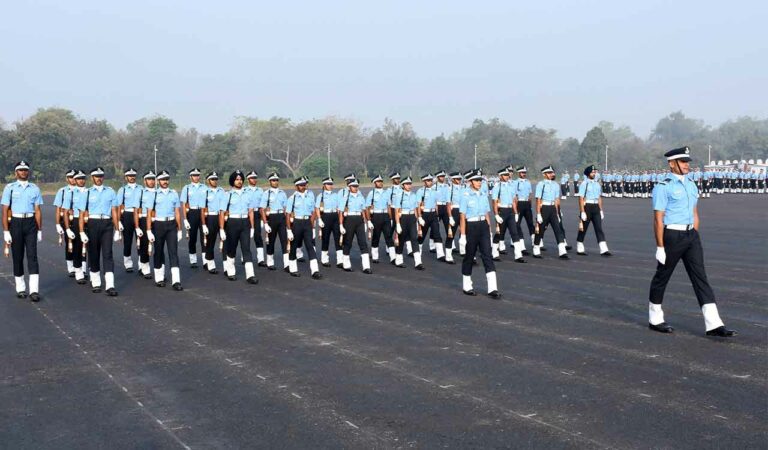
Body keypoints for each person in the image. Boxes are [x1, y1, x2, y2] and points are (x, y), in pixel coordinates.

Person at [648, 146, 736, 337]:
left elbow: (695, 212)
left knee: (700, 277)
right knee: (662, 276)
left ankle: (713, 323)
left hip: (691, 236)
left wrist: (693, 233)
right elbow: (658, 218)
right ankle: (655, 318)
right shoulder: (663, 187)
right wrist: (660, 246)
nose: (687, 165)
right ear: (672, 164)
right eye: (683, 162)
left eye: (688, 162)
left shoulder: (691, 184)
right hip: (672, 236)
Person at [1, 161, 43, 301]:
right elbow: (5, 210)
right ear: (16, 173)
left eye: (25, 170)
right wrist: (6, 231)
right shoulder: (10, 188)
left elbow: (37, 210)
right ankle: (20, 288)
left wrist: (39, 229)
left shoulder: (34, 188)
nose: (23, 172)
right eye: (20, 170)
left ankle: (34, 291)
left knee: (33, 256)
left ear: (28, 172)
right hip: (16, 223)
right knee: (17, 256)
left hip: (30, 222)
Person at [76, 167, 119, 296]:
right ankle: (96, 282)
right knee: (93, 253)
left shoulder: (110, 192)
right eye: (96, 176)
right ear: (92, 178)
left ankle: (110, 285)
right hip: (92, 224)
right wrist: (82, 231)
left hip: (107, 224)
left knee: (108, 253)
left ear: (103, 177)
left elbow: (114, 211)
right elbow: (82, 213)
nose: (99, 178)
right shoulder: (87, 193)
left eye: (101, 176)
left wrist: (117, 229)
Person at [458, 169, 499, 299]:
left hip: (483, 227)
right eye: (476, 180)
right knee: (469, 256)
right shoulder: (465, 195)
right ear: (470, 181)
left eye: (480, 180)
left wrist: (489, 230)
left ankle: (492, 288)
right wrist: (463, 236)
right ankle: (467, 286)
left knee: (487, 255)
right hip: (471, 226)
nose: (479, 182)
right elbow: (462, 216)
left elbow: (487, 213)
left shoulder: (483, 194)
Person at [147, 170, 183, 290]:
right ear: (158, 181)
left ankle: (176, 281)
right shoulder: (154, 194)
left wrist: (179, 229)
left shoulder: (174, 193)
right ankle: (159, 277)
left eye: (166, 179)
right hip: (158, 224)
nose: (165, 181)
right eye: (162, 179)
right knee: (159, 251)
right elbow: (149, 213)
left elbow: (177, 212)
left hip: (172, 224)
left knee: (173, 252)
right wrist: (148, 230)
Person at [219, 170, 258, 284]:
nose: (239, 181)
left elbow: (250, 211)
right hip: (232, 222)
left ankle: (250, 275)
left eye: (241, 179)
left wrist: (252, 227)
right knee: (232, 248)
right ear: (233, 181)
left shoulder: (247, 194)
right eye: (237, 179)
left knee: (246, 248)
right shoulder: (228, 195)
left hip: (245, 222)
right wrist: (221, 229)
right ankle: (231, 271)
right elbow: (222, 212)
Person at [286, 176, 322, 279]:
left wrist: (311, 224)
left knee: (310, 246)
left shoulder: (309, 197)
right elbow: (288, 214)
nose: (303, 186)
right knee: (294, 246)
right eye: (301, 185)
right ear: (296, 186)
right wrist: (289, 230)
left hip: (307, 223)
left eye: (304, 185)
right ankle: (293, 269)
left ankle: (315, 271)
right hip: (297, 222)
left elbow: (313, 212)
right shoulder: (292, 198)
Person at [533, 165, 568, 259]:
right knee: (540, 229)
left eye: (552, 172)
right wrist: (538, 214)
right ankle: (536, 248)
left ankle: (562, 251)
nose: (552, 174)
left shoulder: (556, 185)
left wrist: (557, 213)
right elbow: (538, 200)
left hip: (552, 208)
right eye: (549, 173)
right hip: (544, 207)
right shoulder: (541, 184)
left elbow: (556, 200)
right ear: (544, 174)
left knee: (558, 229)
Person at [491, 167, 525, 263]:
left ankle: (518, 255)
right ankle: (494, 253)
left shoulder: (511, 186)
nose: (507, 176)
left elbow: (514, 200)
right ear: (500, 176)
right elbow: (494, 202)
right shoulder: (497, 187)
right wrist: (496, 215)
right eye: (505, 175)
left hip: (510, 211)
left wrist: (516, 212)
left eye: (508, 175)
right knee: (499, 233)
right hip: (502, 210)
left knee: (514, 232)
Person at [576, 165, 611, 256]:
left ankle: (603, 249)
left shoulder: (597, 184)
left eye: (595, 172)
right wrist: (582, 211)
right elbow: (581, 198)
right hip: (587, 206)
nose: (594, 173)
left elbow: (599, 197)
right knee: (583, 228)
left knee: (599, 228)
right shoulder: (584, 184)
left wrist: (601, 210)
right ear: (588, 173)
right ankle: (580, 245)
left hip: (596, 207)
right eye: (592, 172)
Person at [338, 178, 372, 273]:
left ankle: (366, 267)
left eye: (357, 186)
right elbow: (340, 212)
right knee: (348, 242)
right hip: (349, 220)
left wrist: (367, 221)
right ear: (349, 187)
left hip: (359, 220)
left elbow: (364, 210)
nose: (355, 188)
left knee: (363, 243)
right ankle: (346, 264)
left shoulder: (361, 197)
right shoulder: (345, 198)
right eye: (353, 186)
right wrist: (341, 225)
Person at [63, 170, 89, 283]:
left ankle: (86, 270)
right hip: (77, 221)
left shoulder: (90, 192)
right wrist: (67, 228)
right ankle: (78, 272)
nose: (81, 180)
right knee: (78, 247)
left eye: (83, 178)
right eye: (78, 178)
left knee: (90, 247)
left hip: (90, 221)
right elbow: (65, 211)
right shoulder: (71, 193)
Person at [260, 172, 289, 271]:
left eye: (276, 180)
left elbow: (286, 208)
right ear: (269, 181)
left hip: (281, 217)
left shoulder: (282, 193)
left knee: (284, 240)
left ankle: (287, 264)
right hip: (271, 218)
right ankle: (270, 262)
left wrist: (287, 222)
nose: (275, 182)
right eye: (273, 180)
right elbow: (262, 209)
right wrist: (265, 223)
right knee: (270, 241)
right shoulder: (266, 193)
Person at [393, 177, 423, 270]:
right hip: (403, 218)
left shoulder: (414, 195)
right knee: (401, 239)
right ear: (403, 185)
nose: (409, 186)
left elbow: (415, 209)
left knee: (414, 238)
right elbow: (396, 210)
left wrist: (419, 218)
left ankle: (418, 262)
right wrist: (397, 224)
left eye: (410, 184)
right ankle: (398, 260)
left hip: (412, 218)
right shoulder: (399, 195)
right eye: (406, 184)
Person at [366, 174, 396, 264]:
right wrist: (368, 221)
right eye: (378, 182)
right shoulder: (372, 193)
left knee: (389, 237)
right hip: (376, 216)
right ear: (375, 183)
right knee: (376, 236)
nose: (381, 183)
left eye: (381, 181)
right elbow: (367, 207)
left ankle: (393, 257)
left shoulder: (386, 192)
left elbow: (389, 206)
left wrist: (390, 218)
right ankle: (375, 256)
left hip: (385, 216)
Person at [180, 168, 207, 268]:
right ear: (190, 177)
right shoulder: (186, 188)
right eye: (194, 175)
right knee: (192, 238)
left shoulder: (204, 187)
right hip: (192, 213)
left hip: (203, 212)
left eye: (198, 175)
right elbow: (183, 204)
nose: (196, 177)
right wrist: (185, 219)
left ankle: (205, 261)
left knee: (204, 236)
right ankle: (193, 259)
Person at [116, 168, 141, 272]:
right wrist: (118, 221)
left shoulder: (141, 188)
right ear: (126, 177)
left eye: (133, 175)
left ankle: (142, 264)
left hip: (139, 215)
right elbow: (118, 206)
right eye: (129, 176)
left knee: (141, 240)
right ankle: (128, 263)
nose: (132, 177)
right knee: (128, 241)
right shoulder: (123, 190)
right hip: (127, 215)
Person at [53, 169, 77, 277]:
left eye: (74, 177)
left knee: (82, 244)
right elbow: (58, 208)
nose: (73, 179)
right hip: (66, 220)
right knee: (70, 243)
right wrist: (58, 224)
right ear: (67, 179)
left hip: (79, 219)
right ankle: (71, 266)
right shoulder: (62, 191)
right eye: (70, 177)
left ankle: (81, 266)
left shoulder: (83, 190)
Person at [133, 171, 156, 279]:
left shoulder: (158, 192)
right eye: (149, 179)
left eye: (153, 179)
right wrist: (137, 227)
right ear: (144, 180)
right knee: (144, 245)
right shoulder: (140, 193)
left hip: (157, 220)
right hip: (143, 220)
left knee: (158, 245)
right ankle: (145, 268)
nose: (151, 181)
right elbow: (136, 211)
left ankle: (159, 269)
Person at [416, 174, 445, 261]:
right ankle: (418, 252)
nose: (430, 182)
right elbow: (418, 205)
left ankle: (440, 255)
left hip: (433, 214)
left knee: (437, 234)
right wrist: (419, 217)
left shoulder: (434, 191)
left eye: (431, 180)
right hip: (424, 214)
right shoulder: (420, 191)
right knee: (422, 235)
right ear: (424, 182)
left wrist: (437, 215)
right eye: (428, 181)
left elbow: (436, 204)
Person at [315, 177, 343, 268]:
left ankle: (340, 260)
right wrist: (319, 219)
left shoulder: (336, 195)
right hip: (325, 217)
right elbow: (317, 208)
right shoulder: (321, 196)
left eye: (331, 184)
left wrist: (340, 221)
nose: (330, 186)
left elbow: (339, 208)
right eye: (328, 184)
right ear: (324, 185)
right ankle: (324, 259)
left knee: (337, 238)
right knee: (325, 238)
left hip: (335, 216)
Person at [201, 171, 225, 273]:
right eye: (212, 179)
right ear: (208, 181)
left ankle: (227, 267)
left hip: (222, 217)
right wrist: (203, 225)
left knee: (225, 241)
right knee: (211, 242)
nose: (215, 181)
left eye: (216, 179)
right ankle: (210, 264)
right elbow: (202, 210)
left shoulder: (222, 191)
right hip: (211, 218)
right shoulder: (205, 193)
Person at [244, 171, 266, 266]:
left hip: (257, 214)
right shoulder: (244, 190)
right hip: (246, 214)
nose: (254, 180)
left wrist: (263, 219)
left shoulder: (260, 191)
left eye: (255, 178)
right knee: (245, 236)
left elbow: (263, 206)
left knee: (258, 236)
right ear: (248, 179)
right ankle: (244, 257)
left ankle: (260, 259)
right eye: (252, 178)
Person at [513, 167, 535, 255]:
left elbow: (530, 194)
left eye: (525, 172)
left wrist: (530, 205)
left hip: (527, 203)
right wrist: (515, 208)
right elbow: (514, 196)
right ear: (519, 173)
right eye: (522, 172)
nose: (524, 174)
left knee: (530, 223)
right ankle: (522, 245)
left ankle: (535, 242)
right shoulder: (516, 182)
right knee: (517, 224)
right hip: (519, 203)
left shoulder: (528, 182)